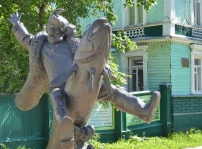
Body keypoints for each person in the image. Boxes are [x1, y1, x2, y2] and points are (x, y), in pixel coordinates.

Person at [9, 9, 160, 149]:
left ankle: (144, 111)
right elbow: (26, 39)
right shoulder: (40, 46)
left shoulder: (72, 45)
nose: (51, 31)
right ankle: (64, 123)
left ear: (63, 31)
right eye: (49, 27)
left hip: (79, 82)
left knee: (112, 92)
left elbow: (90, 57)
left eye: (55, 28)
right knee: (56, 96)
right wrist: (17, 24)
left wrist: (104, 67)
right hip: (59, 86)